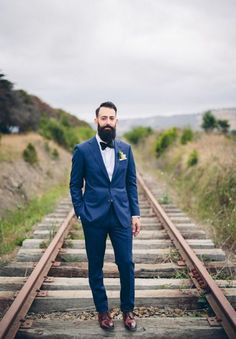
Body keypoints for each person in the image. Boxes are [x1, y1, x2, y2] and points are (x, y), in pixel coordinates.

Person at [70, 101, 141, 332]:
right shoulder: (82, 150)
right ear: (96, 121)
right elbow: (74, 185)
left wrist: (135, 213)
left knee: (126, 263)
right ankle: (103, 311)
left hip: (120, 215)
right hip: (94, 218)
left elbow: (131, 184)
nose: (108, 122)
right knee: (96, 267)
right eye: (104, 118)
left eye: (111, 118)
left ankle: (127, 310)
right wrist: (82, 213)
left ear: (116, 121)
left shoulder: (125, 150)